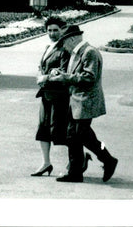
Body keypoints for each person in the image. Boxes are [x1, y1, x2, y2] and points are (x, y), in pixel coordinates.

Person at [50, 25, 118, 183]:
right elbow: (75, 74)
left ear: (72, 39)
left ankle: (107, 160)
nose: (64, 46)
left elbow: (89, 77)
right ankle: (77, 171)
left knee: (81, 135)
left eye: (64, 42)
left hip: (87, 100)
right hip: (77, 100)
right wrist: (63, 75)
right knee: (75, 135)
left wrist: (65, 77)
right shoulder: (77, 53)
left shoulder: (89, 52)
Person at [32, 17, 72, 177]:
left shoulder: (64, 50)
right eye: (49, 30)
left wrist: (46, 77)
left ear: (62, 30)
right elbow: (42, 66)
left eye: (56, 30)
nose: (52, 33)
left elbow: (62, 71)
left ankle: (77, 159)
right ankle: (46, 163)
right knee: (43, 128)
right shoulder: (49, 47)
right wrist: (40, 74)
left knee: (60, 129)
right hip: (46, 95)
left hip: (59, 96)